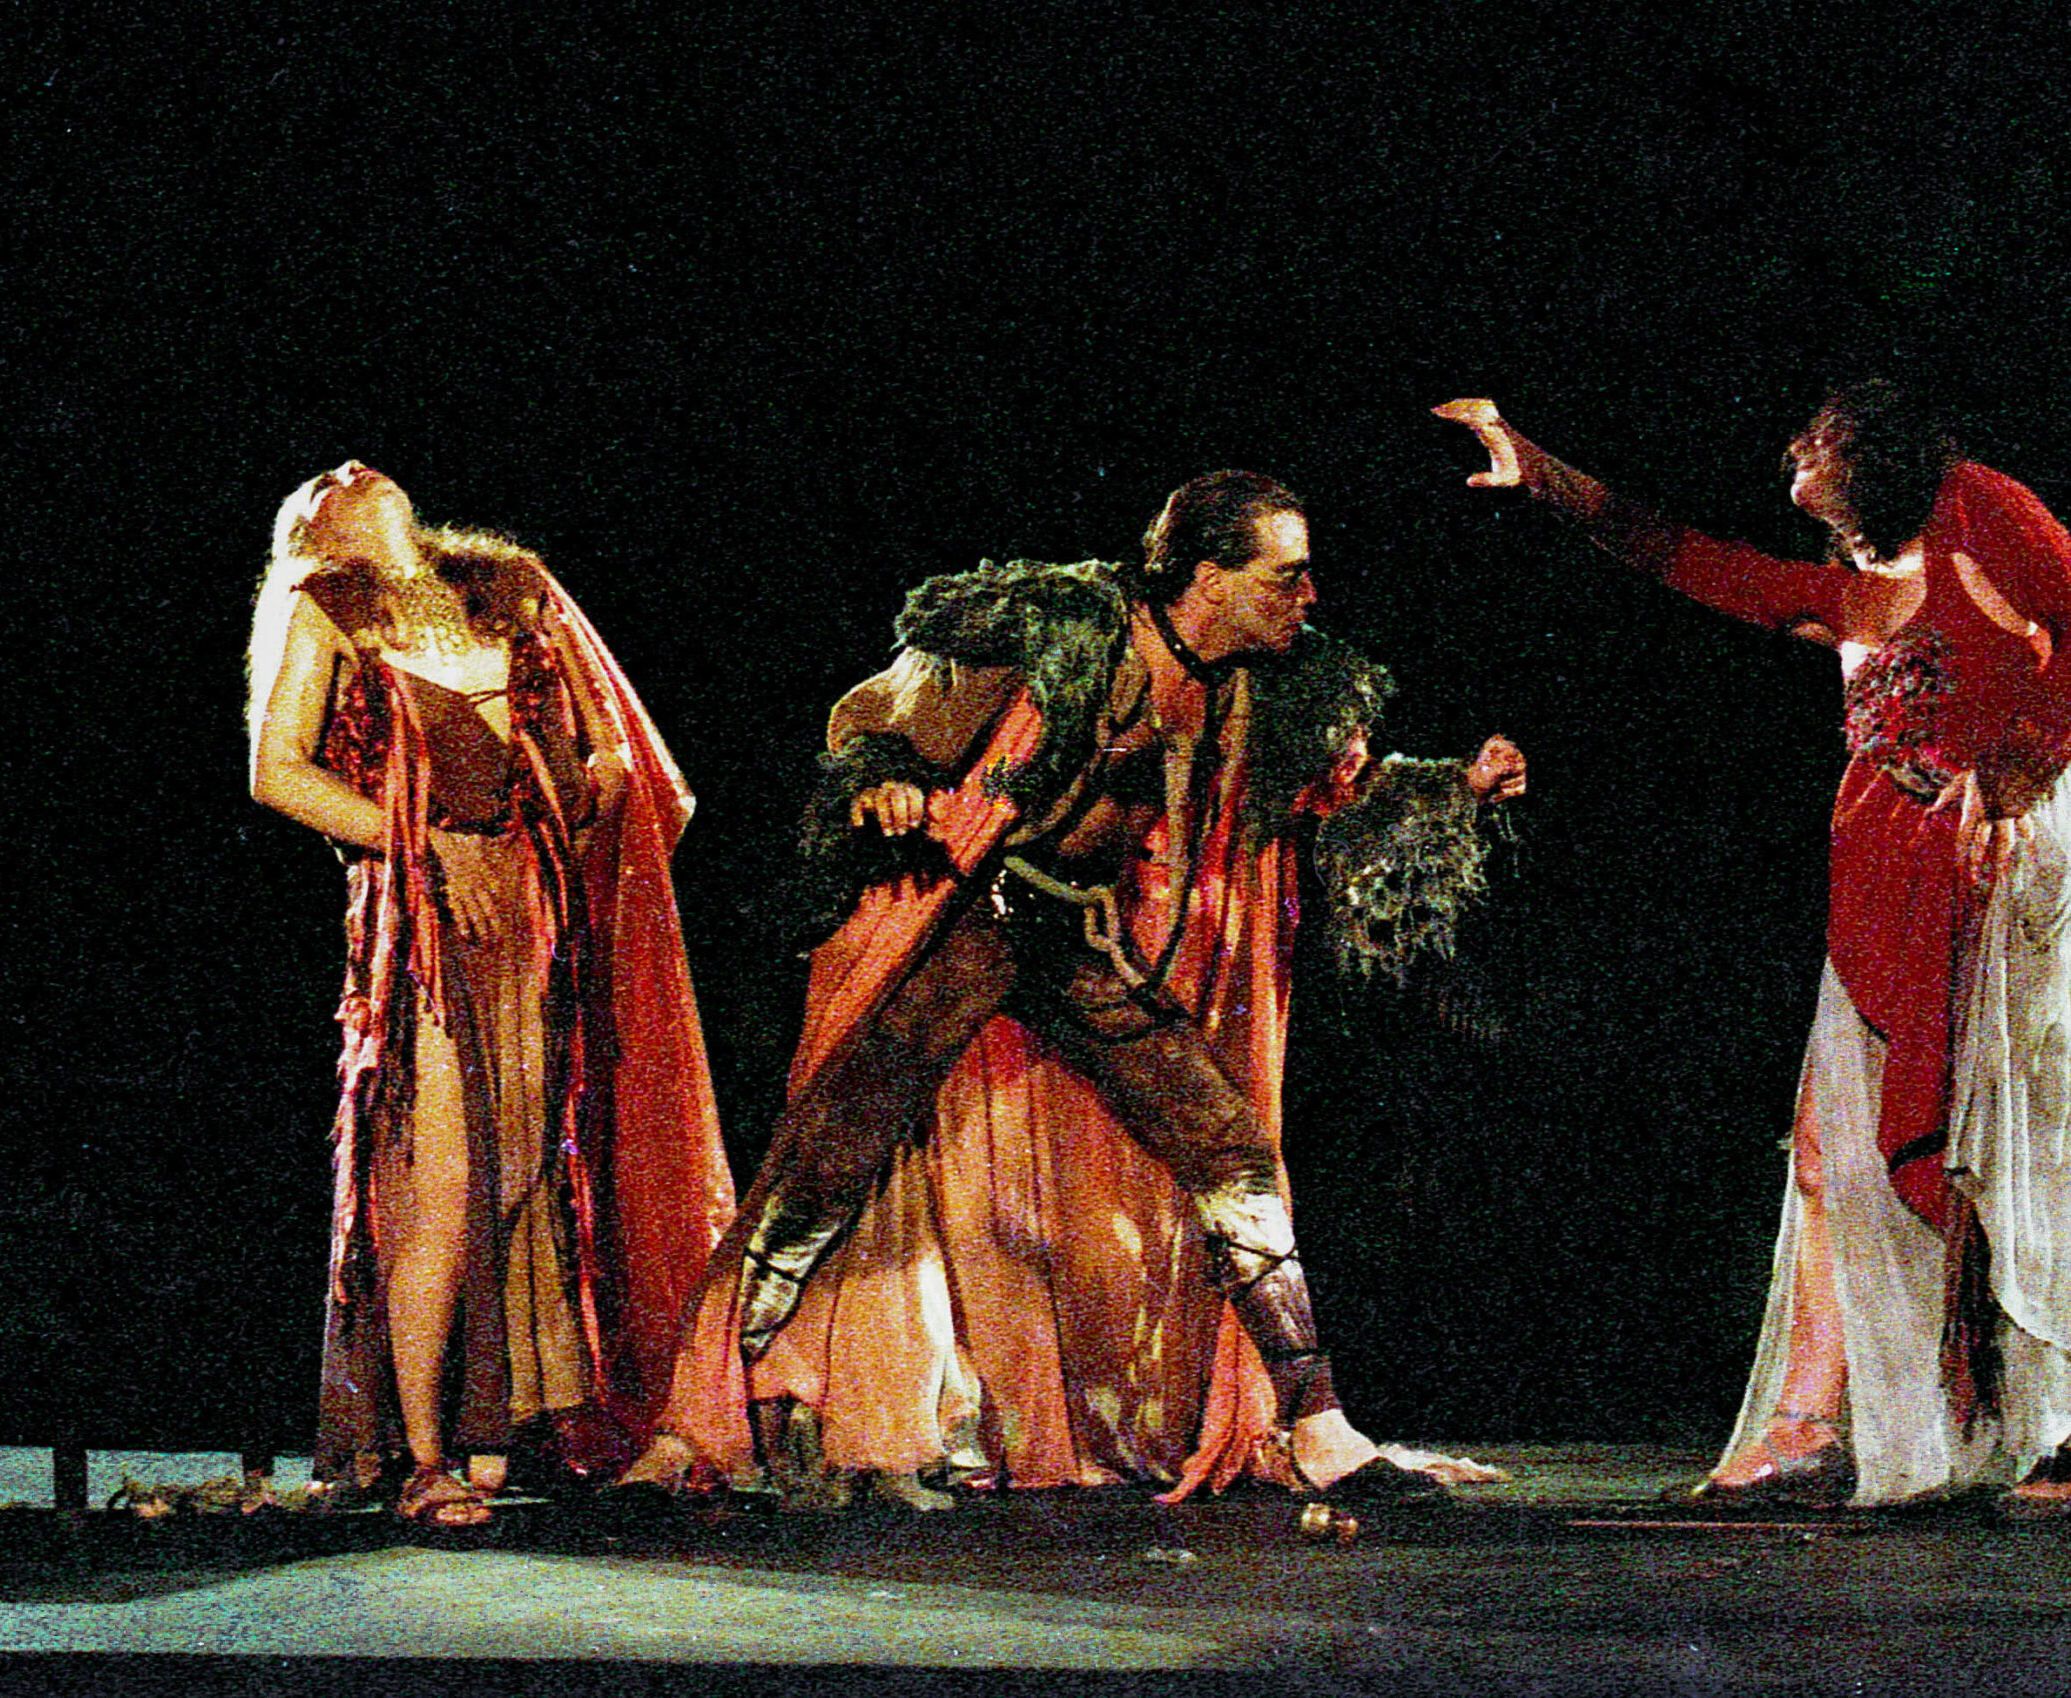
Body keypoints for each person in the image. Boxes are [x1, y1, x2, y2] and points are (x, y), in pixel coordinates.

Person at [622, 471, 1525, 1505]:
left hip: (1077, 934)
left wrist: (1458, 783)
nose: (1308, 596)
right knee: (829, 1153)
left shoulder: (1273, 685)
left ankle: (1318, 1425)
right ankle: (701, 1421)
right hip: (967, 918)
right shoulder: (1063, 627)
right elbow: (873, 713)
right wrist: (883, 775)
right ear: (1207, 576)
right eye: (1286, 575)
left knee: (1228, 1150)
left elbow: (1338, 793)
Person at [1435, 386, 2071, 1515]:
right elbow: (1687, 558)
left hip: (2007, 860)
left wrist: (2020, 765)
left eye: (1826, 436)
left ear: (1883, 453)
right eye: (1800, 438)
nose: (1800, 448)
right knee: (1833, 1146)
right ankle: (1830, 1429)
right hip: (1889, 873)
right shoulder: (1847, 592)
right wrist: (1539, 469)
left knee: (2022, 1138)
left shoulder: (1975, 505)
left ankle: (2069, 1433)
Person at [247, 462, 732, 1525]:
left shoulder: (506, 587)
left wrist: (593, 783)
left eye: (360, 464)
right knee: (441, 1186)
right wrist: (418, 845)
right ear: (309, 533)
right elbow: (277, 772)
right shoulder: (327, 606)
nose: (349, 469)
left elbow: (607, 740)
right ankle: (421, 1457)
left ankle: (499, 1423)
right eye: (321, 482)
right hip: (428, 921)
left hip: (534, 909)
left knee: (520, 1176)